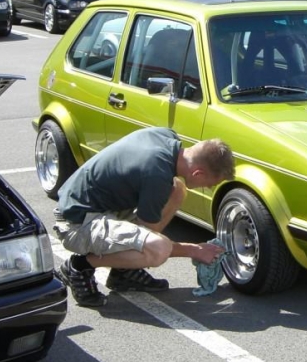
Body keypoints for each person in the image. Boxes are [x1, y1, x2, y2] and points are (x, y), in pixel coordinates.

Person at [53, 127, 235, 307]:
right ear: (198, 173)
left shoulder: (166, 137)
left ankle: (123, 271)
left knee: (177, 190)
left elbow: (146, 230)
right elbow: (152, 242)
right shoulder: (157, 175)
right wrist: (195, 250)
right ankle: (78, 266)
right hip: (76, 223)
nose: (209, 188)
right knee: (159, 249)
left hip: (96, 206)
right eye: (211, 183)